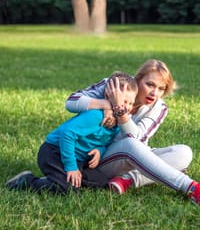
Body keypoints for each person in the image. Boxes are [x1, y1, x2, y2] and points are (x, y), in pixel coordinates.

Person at [65, 59, 200, 205]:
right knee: (131, 145)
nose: (155, 93)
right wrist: (105, 103)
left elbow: (137, 138)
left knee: (183, 152)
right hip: (96, 157)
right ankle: (191, 188)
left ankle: (128, 180)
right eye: (150, 84)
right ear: (138, 80)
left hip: (133, 156)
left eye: (161, 88)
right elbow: (71, 101)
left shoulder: (159, 107)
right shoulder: (116, 85)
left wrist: (119, 109)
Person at [5, 72, 138, 194]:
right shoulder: (96, 116)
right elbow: (67, 134)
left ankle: (59, 177)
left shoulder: (117, 124)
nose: (127, 107)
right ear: (109, 97)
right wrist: (71, 167)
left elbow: (104, 142)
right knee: (65, 188)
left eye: (131, 103)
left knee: (102, 183)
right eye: (124, 101)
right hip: (54, 152)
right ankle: (27, 181)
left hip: (79, 159)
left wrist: (99, 150)